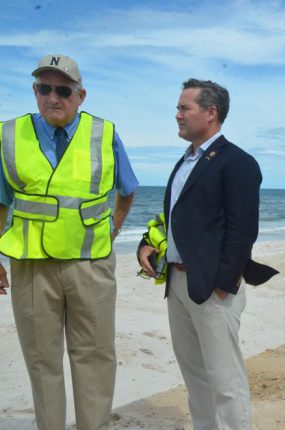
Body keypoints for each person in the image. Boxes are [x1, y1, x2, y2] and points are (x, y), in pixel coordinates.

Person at [0, 54, 138, 429]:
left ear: (81, 95)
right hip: (31, 266)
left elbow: (128, 190)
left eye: (63, 90)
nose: (52, 98)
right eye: (44, 89)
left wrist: (114, 230)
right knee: (41, 360)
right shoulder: (9, 134)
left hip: (90, 265)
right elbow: (0, 200)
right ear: (34, 91)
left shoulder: (104, 133)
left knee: (93, 356)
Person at [138, 79, 269, 430]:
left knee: (225, 381)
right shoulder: (186, 161)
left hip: (212, 287)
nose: (177, 114)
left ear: (211, 113)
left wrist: (223, 283)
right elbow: (175, 217)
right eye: (179, 108)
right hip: (178, 283)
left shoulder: (237, 162)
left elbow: (243, 231)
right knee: (195, 378)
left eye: (185, 108)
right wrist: (146, 244)